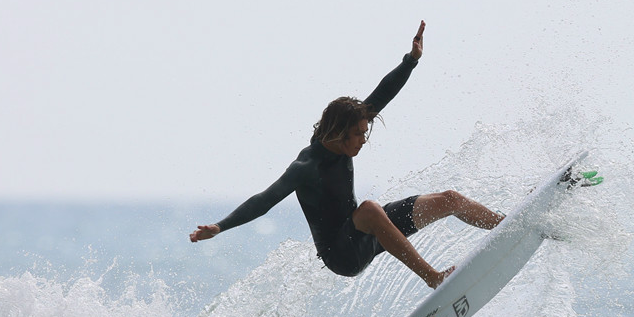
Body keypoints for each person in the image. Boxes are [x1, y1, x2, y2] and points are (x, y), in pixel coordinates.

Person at [190, 21, 503, 288]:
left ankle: (505, 225)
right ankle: (433, 278)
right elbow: (264, 200)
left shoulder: (347, 131)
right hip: (342, 254)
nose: (363, 141)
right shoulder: (306, 166)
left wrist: (411, 60)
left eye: (365, 132)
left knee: (449, 199)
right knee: (370, 209)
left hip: (366, 232)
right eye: (359, 134)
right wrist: (220, 226)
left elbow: (383, 93)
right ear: (339, 133)